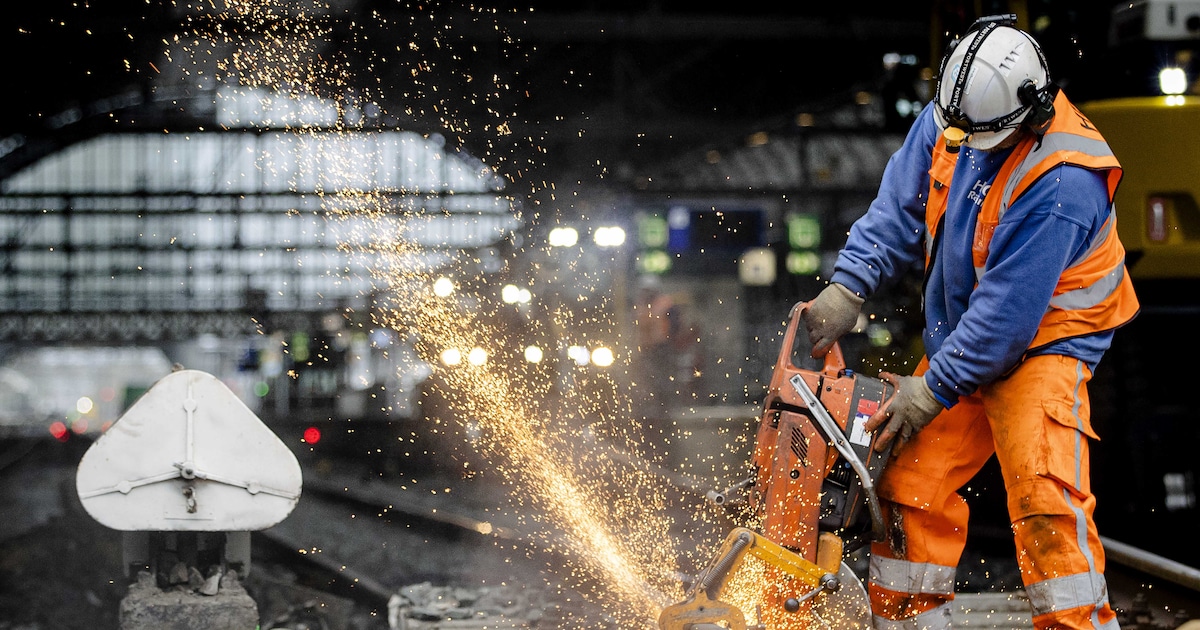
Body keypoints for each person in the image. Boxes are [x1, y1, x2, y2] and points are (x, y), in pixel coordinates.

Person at [802, 14, 1139, 630]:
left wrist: (931, 389)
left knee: (1044, 498)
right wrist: (849, 286)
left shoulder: (1065, 181)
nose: (957, 143)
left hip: (1047, 341)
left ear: (1029, 116)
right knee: (908, 482)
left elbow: (1008, 315)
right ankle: (908, 624)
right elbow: (901, 202)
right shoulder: (961, 111)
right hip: (969, 332)